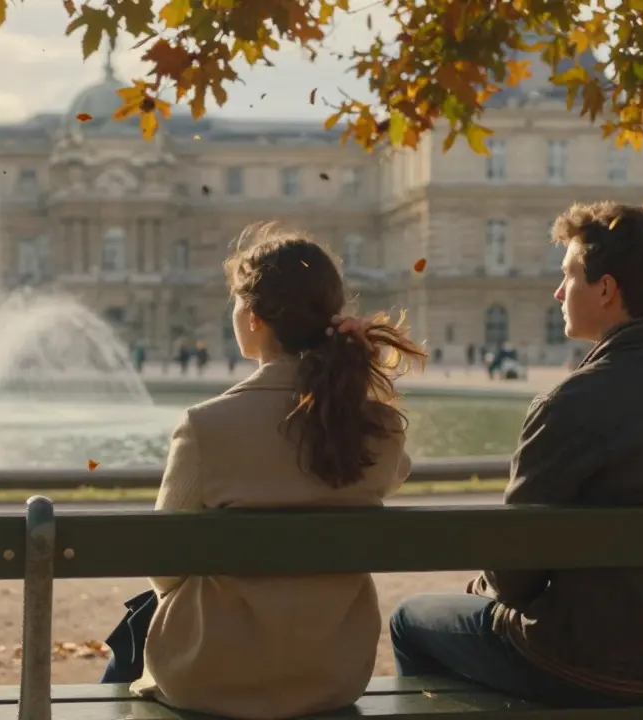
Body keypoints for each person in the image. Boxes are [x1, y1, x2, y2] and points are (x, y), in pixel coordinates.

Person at [391, 202, 643, 707]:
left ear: (606, 289)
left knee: (410, 620)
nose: (558, 291)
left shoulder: (569, 403)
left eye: (568, 275)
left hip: (578, 662)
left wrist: (482, 587)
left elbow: (514, 576)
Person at [99, 222, 426, 719]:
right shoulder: (376, 428)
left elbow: (164, 565)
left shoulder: (205, 426)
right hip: (331, 675)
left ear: (253, 316)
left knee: (133, 632)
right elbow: (394, 472)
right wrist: (358, 378)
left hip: (211, 676)